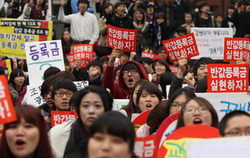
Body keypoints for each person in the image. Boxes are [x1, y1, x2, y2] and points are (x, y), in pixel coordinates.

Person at [50, 86, 113, 158]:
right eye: (85, 106)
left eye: (97, 106)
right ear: (78, 109)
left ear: (106, 110)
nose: (91, 111)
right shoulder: (58, 134)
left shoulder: (118, 135)